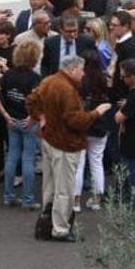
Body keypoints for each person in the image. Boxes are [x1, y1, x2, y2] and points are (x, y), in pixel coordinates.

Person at [28, 54, 101, 241]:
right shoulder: (68, 90)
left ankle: (47, 224)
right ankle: (60, 228)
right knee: (64, 190)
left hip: (49, 139)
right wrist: (95, 113)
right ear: (72, 69)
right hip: (65, 144)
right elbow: (75, 120)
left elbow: (31, 100)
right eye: (81, 70)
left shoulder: (48, 81)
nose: (83, 74)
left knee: (50, 187)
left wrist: (40, 117)